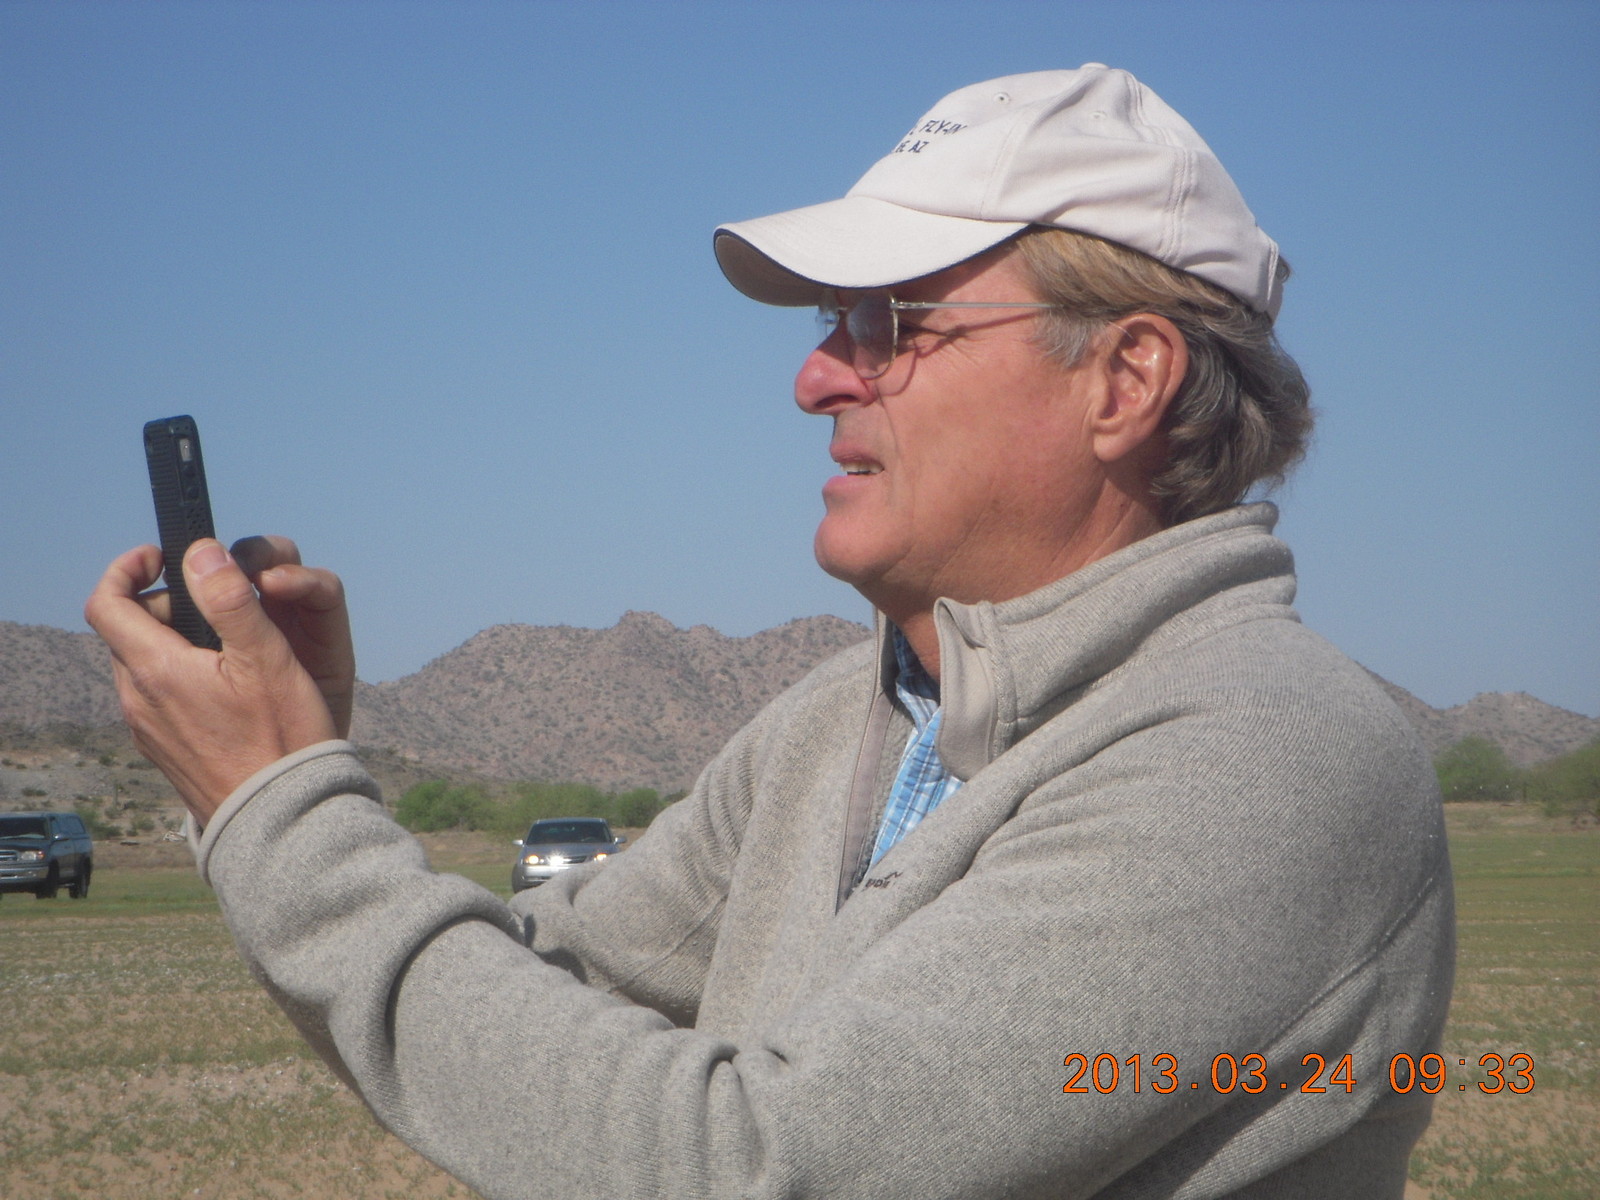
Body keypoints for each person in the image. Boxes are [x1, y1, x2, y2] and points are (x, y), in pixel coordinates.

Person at [88, 66, 1454, 1199]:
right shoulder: (836, 722)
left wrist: (286, 811)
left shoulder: (1267, 756)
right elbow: (537, 992)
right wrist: (279, 771)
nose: (814, 379)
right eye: (829, 324)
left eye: (889, 323)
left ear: (1126, 378)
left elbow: (758, 1164)